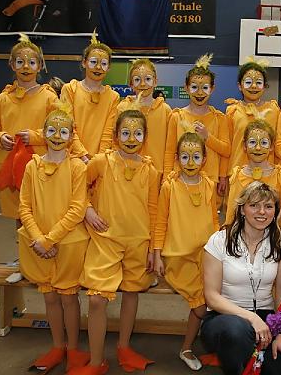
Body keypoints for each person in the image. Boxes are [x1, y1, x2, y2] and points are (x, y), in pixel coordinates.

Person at [73, 109, 159, 375]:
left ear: (145, 137)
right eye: (125, 133)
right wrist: (87, 209)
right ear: (115, 135)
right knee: (97, 300)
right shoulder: (101, 162)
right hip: (105, 241)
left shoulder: (150, 170)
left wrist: (153, 248)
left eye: (137, 133)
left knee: (132, 292)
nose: (131, 139)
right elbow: (77, 187)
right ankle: (96, 361)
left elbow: (154, 210)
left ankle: (124, 347)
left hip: (138, 242)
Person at [18, 103, 90, 373]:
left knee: (68, 298)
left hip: (68, 243)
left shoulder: (77, 168)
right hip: (37, 243)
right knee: (49, 297)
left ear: (71, 136)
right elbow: (24, 206)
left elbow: (77, 208)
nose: (57, 136)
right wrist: (39, 238)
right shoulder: (32, 166)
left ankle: (73, 349)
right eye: (52, 130)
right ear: (43, 132)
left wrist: (49, 240)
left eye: (63, 132)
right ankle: (57, 346)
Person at [202, 181, 281, 375]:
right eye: (254, 205)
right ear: (242, 209)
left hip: (267, 319)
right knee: (237, 331)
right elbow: (211, 297)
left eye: (268, 206)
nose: (262, 212)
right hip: (224, 318)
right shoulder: (219, 240)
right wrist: (251, 318)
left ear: (276, 211)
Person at [153, 132, 219, 371]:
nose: (190, 162)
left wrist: (220, 251)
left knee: (216, 298)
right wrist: (157, 255)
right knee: (201, 305)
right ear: (176, 158)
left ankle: (200, 347)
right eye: (184, 157)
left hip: (206, 255)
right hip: (178, 257)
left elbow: (214, 221)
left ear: (204, 159)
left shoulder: (209, 185)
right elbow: (160, 222)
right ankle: (187, 348)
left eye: (196, 157)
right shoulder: (169, 186)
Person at [0, 33, 58, 222]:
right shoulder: (2, 99)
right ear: (12, 65)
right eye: (20, 62)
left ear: (40, 66)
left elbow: (60, 131)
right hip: (9, 165)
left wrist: (35, 136)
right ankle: (22, 242)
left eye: (31, 62)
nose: (26, 67)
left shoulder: (49, 98)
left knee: (39, 215)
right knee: (19, 216)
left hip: (39, 164)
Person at [164, 53, 230, 199]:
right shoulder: (177, 117)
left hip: (210, 181)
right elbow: (169, 152)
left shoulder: (220, 118)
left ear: (212, 89)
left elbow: (226, 150)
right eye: (194, 87)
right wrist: (166, 179)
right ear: (186, 88)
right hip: (180, 180)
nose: (200, 93)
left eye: (205, 87)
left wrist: (207, 137)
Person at [60, 32, 119, 162]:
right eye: (93, 62)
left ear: (109, 68)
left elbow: (108, 132)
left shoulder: (113, 97)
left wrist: (98, 159)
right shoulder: (70, 89)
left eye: (103, 64)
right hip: (71, 158)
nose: (98, 67)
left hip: (99, 161)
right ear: (84, 63)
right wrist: (82, 155)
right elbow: (67, 125)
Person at [225, 120, 281, 226]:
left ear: (271, 147)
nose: (258, 148)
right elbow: (231, 215)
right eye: (252, 142)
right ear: (244, 145)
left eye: (264, 143)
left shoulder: (280, 177)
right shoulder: (237, 177)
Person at [117, 58, 171, 182]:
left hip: (157, 174)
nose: (142, 84)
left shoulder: (165, 110)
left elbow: (170, 148)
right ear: (131, 84)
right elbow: (115, 141)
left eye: (147, 79)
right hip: (128, 172)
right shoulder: (123, 108)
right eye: (137, 80)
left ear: (155, 82)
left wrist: (166, 176)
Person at [225, 58, 279, 174]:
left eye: (258, 83)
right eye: (248, 82)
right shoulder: (232, 111)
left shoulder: (273, 110)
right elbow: (227, 146)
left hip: (267, 174)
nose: (253, 86)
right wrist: (223, 175)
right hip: (237, 173)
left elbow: (277, 144)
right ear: (240, 86)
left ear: (264, 86)